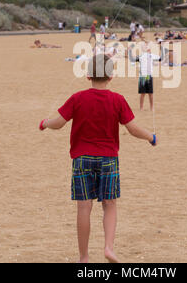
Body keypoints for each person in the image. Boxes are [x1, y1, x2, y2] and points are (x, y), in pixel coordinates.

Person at [39, 54, 157, 263]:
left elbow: (59, 122)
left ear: (88, 76)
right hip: (108, 159)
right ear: (111, 76)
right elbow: (132, 128)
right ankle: (108, 248)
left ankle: (84, 257)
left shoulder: (78, 98)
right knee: (109, 204)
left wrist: (45, 123)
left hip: (82, 158)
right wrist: (150, 137)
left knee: (84, 206)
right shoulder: (117, 99)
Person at [129, 43, 161, 111]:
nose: (146, 48)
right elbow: (132, 59)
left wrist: (162, 47)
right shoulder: (141, 56)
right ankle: (141, 108)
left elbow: (161, 58)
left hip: (149, 76)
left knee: (150, 93)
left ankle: (152, 107)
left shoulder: (152, 56)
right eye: (144, 47)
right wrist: (129, 51)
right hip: (142, 76)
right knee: (143, 93)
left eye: (147, 47)